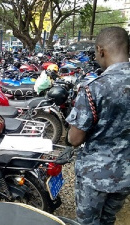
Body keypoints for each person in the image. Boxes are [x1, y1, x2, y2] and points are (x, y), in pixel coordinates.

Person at [66, 26, 130, 225]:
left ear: (101, 50)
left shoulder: (95, 88)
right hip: (126, 175)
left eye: (95, 53)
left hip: (96, 176)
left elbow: (74, 139)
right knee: (108, 218)